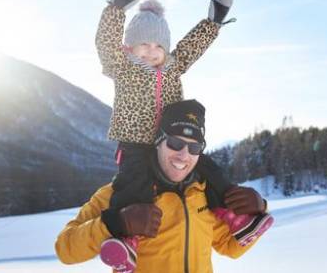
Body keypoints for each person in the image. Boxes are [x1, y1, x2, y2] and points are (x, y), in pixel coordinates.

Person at [94, 0, 272, 271]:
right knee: (133, 186)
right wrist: (115, 8)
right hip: (136, 144)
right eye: (144, 44)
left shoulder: (173, 68)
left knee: (208, 169)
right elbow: (105, 43)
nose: (152, 51)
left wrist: (213, 22)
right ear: (130, 47)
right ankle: (129, 243)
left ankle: (235, 219)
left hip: (174, 142)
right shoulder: (122, 67)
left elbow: (191, 48)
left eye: (158, 46)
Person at [55, 100, 272, 273]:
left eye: (194, 147)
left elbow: (230, 247)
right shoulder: (120, 193)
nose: (184, 155)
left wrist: (259, 208)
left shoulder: (203, 193)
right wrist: (116, 222)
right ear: (158, 142)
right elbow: (65, 249)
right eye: (175, 143)